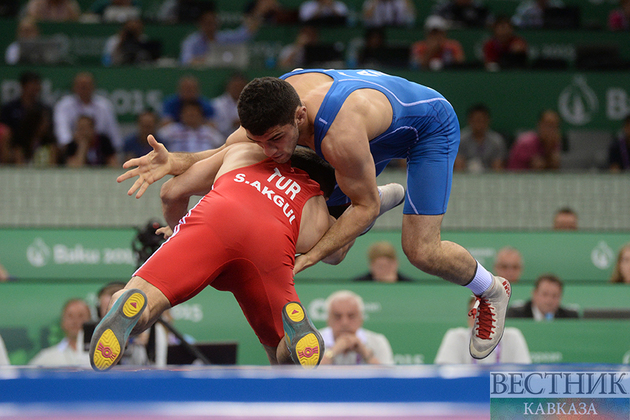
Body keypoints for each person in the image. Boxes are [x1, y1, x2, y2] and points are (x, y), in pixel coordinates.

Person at [117, 68, 512, 361]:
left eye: (277, 140)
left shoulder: (338, 136)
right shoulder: (272, 110)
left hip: (425, 128)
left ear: (299, 118)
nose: (269, 151)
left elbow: (364, 208)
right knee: (335, 245)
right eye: (260, 141)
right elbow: (228, 153)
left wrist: (306, 258)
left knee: (420, 250)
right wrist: (177, 161)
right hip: (364, 135)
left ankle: (491, 288)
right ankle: (379, 191)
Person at [90, 141, 359, 371]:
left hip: (213, 224)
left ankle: (131, 301)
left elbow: (171, 192)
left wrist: (181, 229)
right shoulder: (317, 211)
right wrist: (369, 207)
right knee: (280, 353)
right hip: (267, 252)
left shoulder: (243, 153)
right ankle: (291, 342)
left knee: (145, 296)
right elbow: (337, 253)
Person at [435, 296, 531, 364]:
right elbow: (445, 375)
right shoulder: (456, 337)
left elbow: (523, 375)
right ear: (469, 318)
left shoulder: (513, 337)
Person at [319, 290, 394, 365]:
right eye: (337, 317)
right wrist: (332, 352)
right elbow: (309, 374)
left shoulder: (377, 341)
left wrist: (365, 353)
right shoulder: (314, 342)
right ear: (328, 319)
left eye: (351, 316)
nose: (345, 323)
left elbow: (387, 375)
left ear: (361, 318)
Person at [53, 72, 122, 153]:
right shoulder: (63, 105)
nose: (84, 88)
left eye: (87, 85)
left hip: (99, 147)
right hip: (73, 147)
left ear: (93, 86)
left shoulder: (104, 105)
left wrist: (115, 149)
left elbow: (113, 132)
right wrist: (71, 146)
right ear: (74, 87)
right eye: (81, 86)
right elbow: (62, 133)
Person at [0, 71, 57, 166]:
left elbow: (49, 133)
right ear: (23, 86)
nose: (35, 88)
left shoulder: (44, 109)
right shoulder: (9, 108)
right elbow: (5, 131)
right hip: (15, 145)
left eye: (37, 84)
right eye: (32, 84)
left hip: (39, 145)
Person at [179, 6, 267, 66]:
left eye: (213, 23)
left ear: (217, 24)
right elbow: (186, 61)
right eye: (207, 23)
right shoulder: (191, 41)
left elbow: (246, 34)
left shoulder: (224, 38)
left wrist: (259, 12)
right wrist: (209, 60)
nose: (210, 26)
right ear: (200, 24)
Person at [29, 298, 92, 366]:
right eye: (70, 316)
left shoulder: (100, 356)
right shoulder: (47, 358)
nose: (75, 321)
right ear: (62, 322)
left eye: (81, 316)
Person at [454, 103, 507, 173]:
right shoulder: (460, 139)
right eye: (475, 121)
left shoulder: (497, 141)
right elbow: (459, 167)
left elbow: (498, 168)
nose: (478, 125)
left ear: (488, 120)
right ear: (469, 121)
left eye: (481, 121)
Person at [157, 101, 225, 152]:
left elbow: (223, 145)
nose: (191, 117)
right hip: (177, 165)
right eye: (188, 114)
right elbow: (155, 137)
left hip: (204, 166)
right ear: (181, 115)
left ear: (201, 115)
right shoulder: (172, 129)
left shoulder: (209, 131)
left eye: (194, 114)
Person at [507, 274, 579, 320]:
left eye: (554, 296)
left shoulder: (569, 318)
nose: (549, 300)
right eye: (545, 294)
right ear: (534, 294)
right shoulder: (516, 316)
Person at [210, 73, 249, 139]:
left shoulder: (252, 104)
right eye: (235, 86)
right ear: (228, 86)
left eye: (240, 86)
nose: (237, 89)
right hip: (223, 141)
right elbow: (213, 127)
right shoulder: (217, 104)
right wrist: (232, 124)